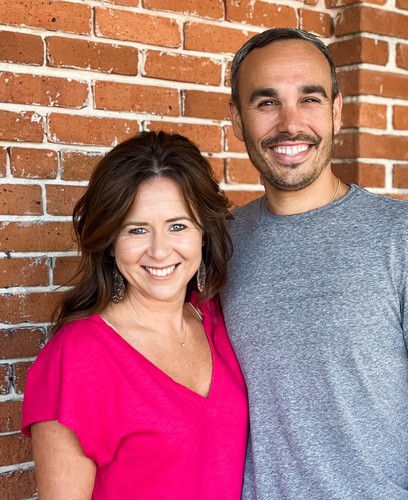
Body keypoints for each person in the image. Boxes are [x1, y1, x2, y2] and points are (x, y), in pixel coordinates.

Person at [221, 28, 408, 499]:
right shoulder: (220, 242)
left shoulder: (404, 234)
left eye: (310, 99)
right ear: (237, 118)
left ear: (336, 110)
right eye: (267, 102)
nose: (290, 124)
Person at [21, 131, 249, 499]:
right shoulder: (77, 358)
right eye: (137, 229)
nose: (159, 251)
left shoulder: (216, 318)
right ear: (111, 242)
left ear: (203, 234)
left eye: (178, 226)